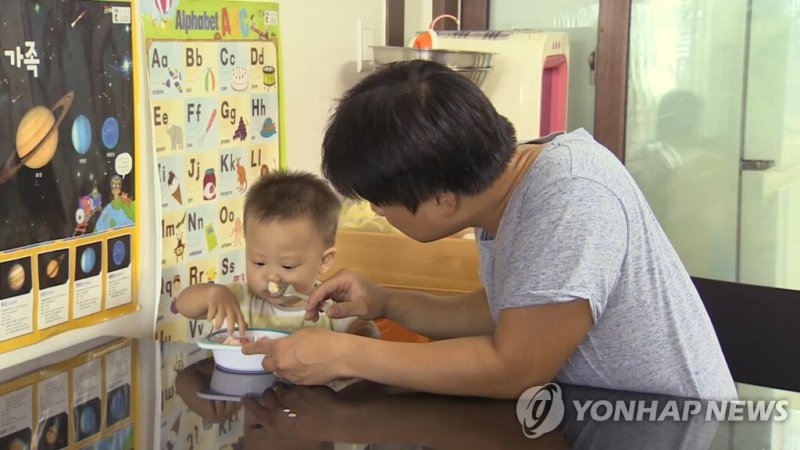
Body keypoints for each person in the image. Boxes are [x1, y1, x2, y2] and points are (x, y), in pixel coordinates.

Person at [242, 60, 736, 400]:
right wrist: (389, 301)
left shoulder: (569, 197)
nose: (377, 212)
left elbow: (515, 368)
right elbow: (509, 309)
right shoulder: (505, 184)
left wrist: (349, 353)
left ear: (442, 200)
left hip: (667, 425)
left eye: (380, 203)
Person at [176, 171, 378, 337]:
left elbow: (365, 331)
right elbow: (183, 305)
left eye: (287, 266)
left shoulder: (330, 308)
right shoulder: (239, 298)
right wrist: (213, 294)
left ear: (324, 261)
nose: (271, 276)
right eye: (259, 262)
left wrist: (359, 337)